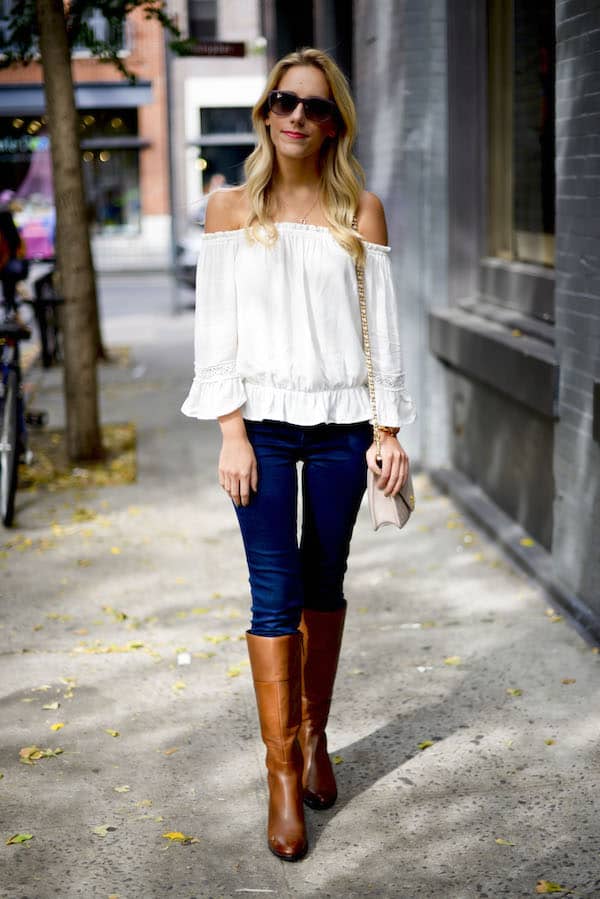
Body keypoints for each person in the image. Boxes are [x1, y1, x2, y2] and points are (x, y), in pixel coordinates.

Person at [181, 47, 416, 862]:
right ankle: (283, 775)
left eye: (315, 107)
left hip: (347, 425)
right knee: (274, 592)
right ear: (264, 110)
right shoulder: (227, 210)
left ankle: (314, 735)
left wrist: (389, 432)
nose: (297, 117)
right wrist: (231, 432)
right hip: (265, 433)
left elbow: (381, 331)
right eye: (284, 100)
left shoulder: (363, 212)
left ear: (335, 123)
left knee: (326, 580)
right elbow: (216, 334)